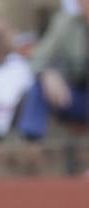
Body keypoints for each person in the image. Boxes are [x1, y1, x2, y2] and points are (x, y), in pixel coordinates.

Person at [17, 0, 89, 140]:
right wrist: (47, 74)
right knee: (40, 87)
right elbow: (39, 57)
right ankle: (32, 143)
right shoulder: (66, 23)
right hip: (76, 98)